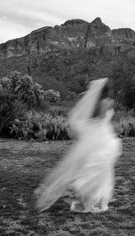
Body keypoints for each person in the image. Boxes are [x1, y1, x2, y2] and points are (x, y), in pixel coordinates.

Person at [34, 78, 122, 213]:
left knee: (97, 169)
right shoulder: (107, 102)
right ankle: (89, 198)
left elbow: (94, 118)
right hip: (103, 137)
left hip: (100, 136)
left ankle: (87, 199)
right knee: (98, 169)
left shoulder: (98, 103)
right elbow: (102, 119)